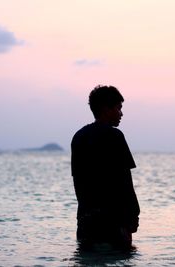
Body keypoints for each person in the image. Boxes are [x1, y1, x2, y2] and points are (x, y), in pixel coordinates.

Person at [71, 85, 140, 250]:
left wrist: (84, 217)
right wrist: (133, 217)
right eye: (118, 108)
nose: (121, 113)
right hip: (113, 223)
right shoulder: (115, 136)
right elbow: (125, 182)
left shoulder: (79, 137)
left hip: (86, 222)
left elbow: (78, 182)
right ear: (105, 109)